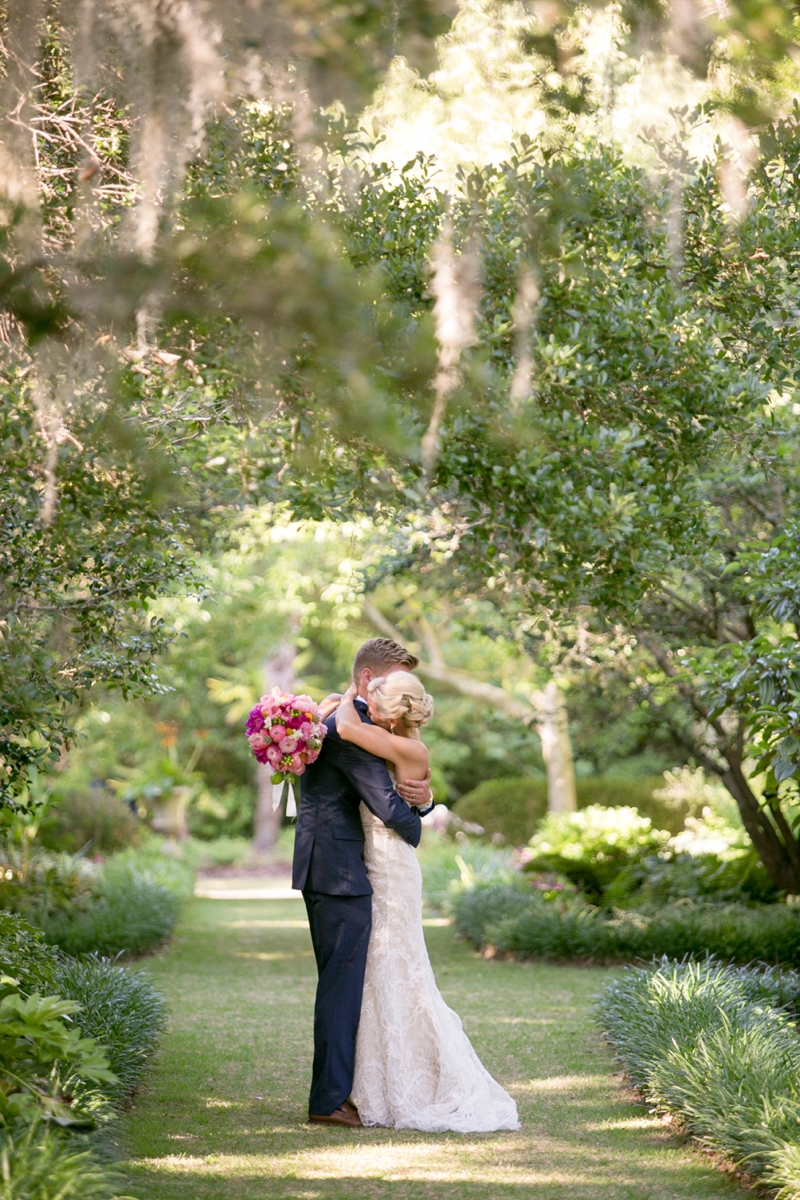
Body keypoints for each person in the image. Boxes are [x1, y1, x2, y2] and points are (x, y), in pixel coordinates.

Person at [333, 672, 520, 1133]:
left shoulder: (402, 746)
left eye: (376, 704)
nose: (368, 709)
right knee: (385, 967)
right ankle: (380, 1077)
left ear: (393, 714)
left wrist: (345, 692)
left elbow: (347, 729)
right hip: (380, 859)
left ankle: (412, 1081)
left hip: (390, 864)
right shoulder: (404, 745)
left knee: (396, 965)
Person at [292, 638, 434, 1128]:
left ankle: (341, 1091)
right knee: (340, 986)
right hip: (340, 873)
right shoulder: (344, 730)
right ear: (370, 681)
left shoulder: (343, 720)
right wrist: (420, 814)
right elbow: (393, 811)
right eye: (392, 680)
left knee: (349, 983)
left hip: (338, 868)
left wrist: (425, 795)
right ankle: (329, 1100)